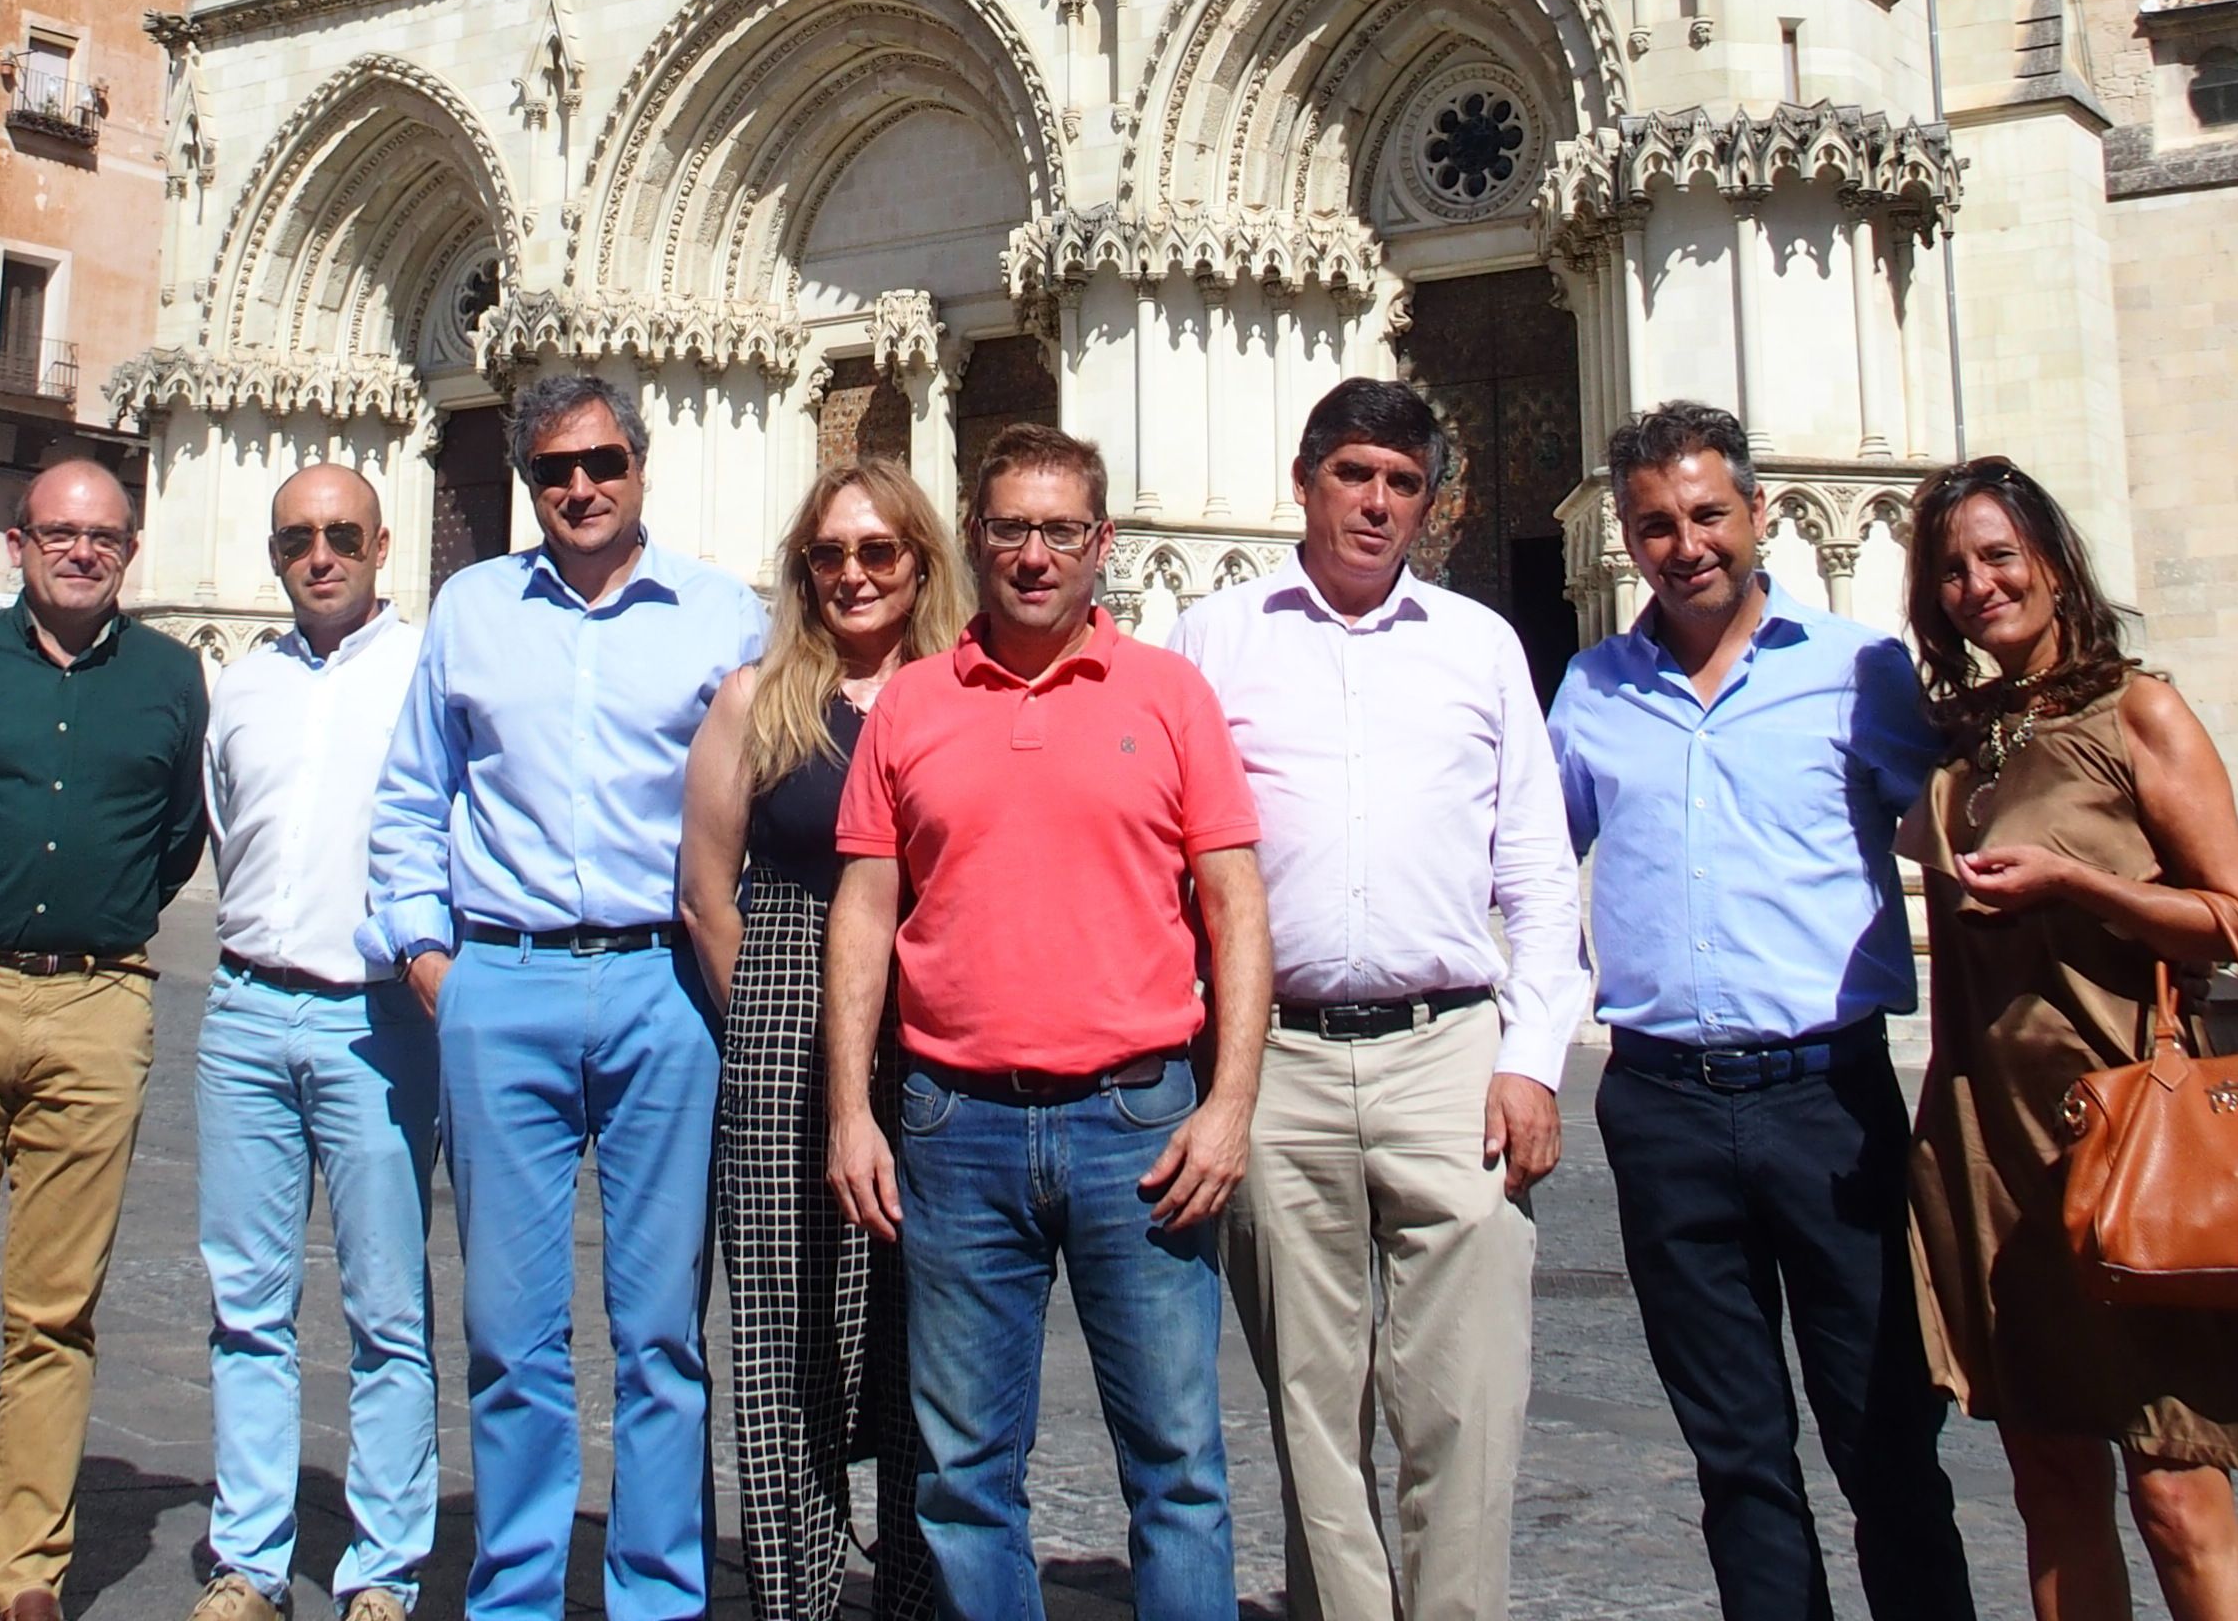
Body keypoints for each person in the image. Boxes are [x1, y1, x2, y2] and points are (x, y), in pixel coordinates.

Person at [821, 421, 1270, 1621]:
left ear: (1102, 543)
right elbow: (863, 917)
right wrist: (849, 1116)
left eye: (1059, 530)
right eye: (1010, 529)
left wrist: (1228, 1105)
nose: (1033, 554)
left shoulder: (1171, 696)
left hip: (1140, 1121)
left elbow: (1232, 904)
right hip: (951, 1122)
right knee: (965, 1477)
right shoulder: (909, 706)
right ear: (973, 542)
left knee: (1178, 1469)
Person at [1165, 377, 1590, 1621]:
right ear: (1302, 481)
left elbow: (1536, 866)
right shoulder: (1211, 639)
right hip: (1276, 1059)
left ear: (1429, 503)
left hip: (1449, 1053)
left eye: (1402, 482)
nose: (1376, 502)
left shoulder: (1478, 645)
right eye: (1354, 474)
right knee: (1309, 1405)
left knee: (1466, 1401)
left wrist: (1533, 1057)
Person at [1550, 399, 1975, 1621]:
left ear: (1760, 516)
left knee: (1884, 1437)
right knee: (1734, 1457)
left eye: (1705, 515)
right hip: (1661, 1102)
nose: (1684, 545)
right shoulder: (1591, 690)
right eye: (1652, 524)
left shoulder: (1859, 671)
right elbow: (1521, 863)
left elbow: (1962, 828)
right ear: (1617, 538)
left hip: (1824, 1102)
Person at [362, 374, 765, 1621]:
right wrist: (432, 961)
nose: (577, 488)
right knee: (508, 1333)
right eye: (551, 471)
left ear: (643, 466)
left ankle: (655, 1596)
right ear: (527, 482)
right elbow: (408, 798)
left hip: (664, 990)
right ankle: (517, 1594)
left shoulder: (724, 614)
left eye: (599, 462)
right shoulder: (472, 607)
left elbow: (770, 804)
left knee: (660, 1332)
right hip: (506, 983)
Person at [1901, 458, 2238, 1621]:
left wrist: (2072, 881)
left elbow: (2233, 924)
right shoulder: (1965, 738)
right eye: (1952, 569)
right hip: (1988, 1146)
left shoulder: (2138, 712)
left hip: (2133, 1136)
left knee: (2175, 1488)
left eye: (1999, 557)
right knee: (2049, 1477)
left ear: (2055, 565)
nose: (1978, 585)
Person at [0, 459, 208, 1621]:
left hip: (99, 999)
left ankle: (26, 1574)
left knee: (57, 1309)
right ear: (16, 545)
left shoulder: (172, 678)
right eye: (60, 534)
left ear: (130, 547)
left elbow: (174, 840)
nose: (81, 552)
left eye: (104, 536)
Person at [678, 461, 959, 1621]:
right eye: (828, 555)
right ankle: (794, 1594)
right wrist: (777, 1017)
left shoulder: (962, 690)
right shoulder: (757, 697)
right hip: (789, 1009)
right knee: (785, 1329)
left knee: (921, 1327)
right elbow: (704, 891)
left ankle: (906, 1594)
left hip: (938, 1015)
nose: (851, 575)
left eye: (876, 552)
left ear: (920, 562)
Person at [190, 466, 438, 1621]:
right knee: (246, 1303)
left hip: (374, 1018)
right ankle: (248, 1558)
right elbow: (220, 829)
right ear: (274, 552)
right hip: (242, 1008)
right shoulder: (239, 686)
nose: (320, 555)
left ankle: (382, 1569)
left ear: (384, 545)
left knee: (388, 1311)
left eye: (343, 535)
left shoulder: (431, 671)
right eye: (298, 538)